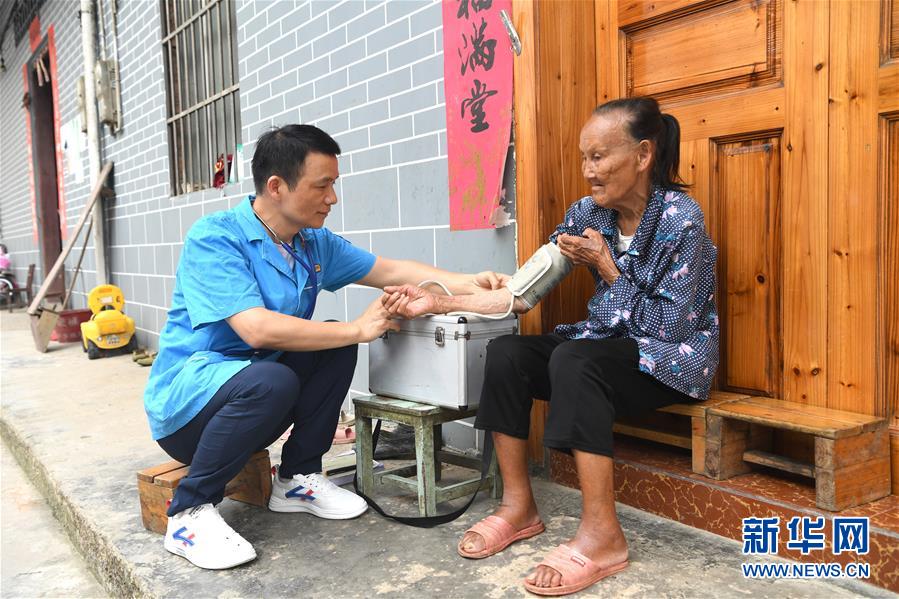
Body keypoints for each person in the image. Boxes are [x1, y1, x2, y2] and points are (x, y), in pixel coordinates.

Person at [383, 97, 719, 596]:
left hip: (672, 362)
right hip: (604, 350)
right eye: (584, 158)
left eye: (599, 157)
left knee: (575, 359)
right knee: (509, 354)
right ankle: (518, 507)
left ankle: (603, 536)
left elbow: (668, 329)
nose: (588, 171)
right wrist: (437, 301)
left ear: (643, 155)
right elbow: (520, 294)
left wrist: (606, 267)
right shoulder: (588, 214)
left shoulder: (681, 220)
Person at [143, 124, 507, 570]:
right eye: (321, 185)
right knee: (284, 371)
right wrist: (359, 329)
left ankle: (297, 478)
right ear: (276, 186)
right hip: (190, 414)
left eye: (333, 184)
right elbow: (255, 330)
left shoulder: (309, 242)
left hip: (256, 398)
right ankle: (188, 514)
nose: (332, 198)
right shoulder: (217, 237)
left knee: (330, 344)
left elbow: (391, 270)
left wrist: (471, 282)